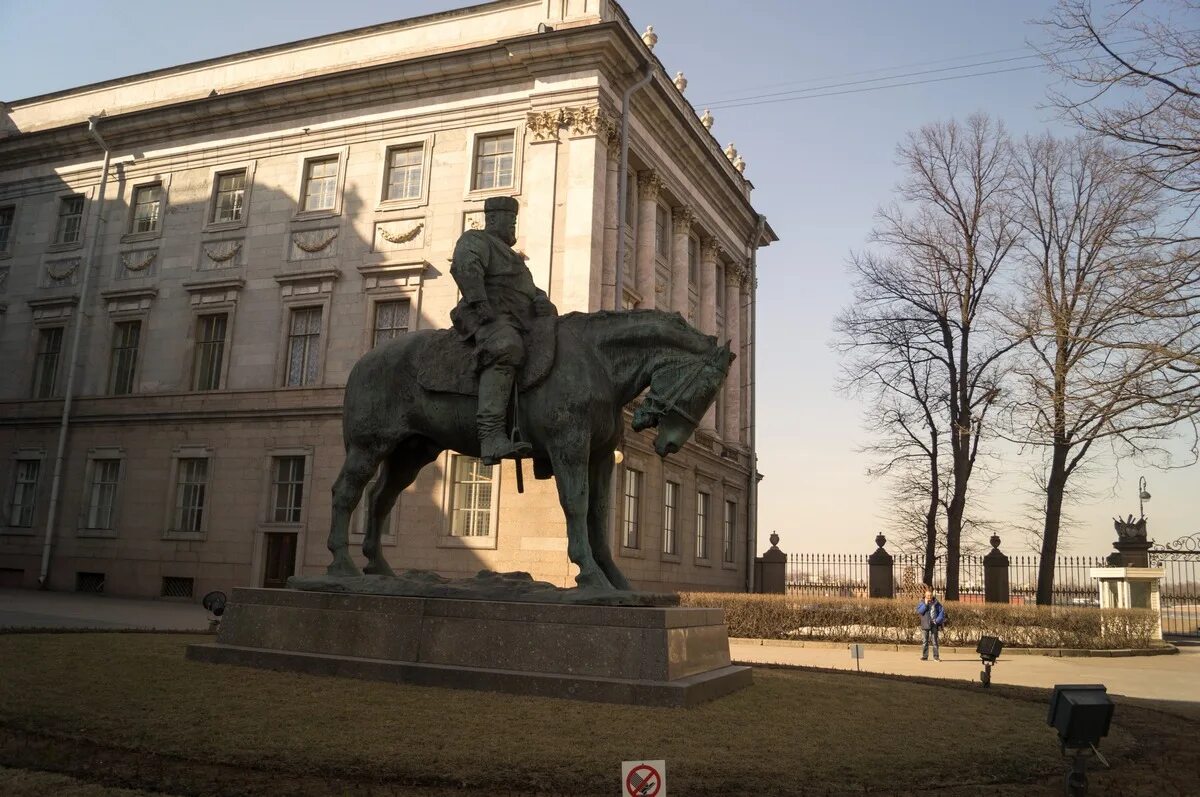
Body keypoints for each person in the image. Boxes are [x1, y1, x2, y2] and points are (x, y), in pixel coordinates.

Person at [449, 196, 556, 465]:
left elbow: (529, 289)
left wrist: (541, 299)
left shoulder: (514, 258)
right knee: (506, 347)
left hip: (522, 319)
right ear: (493, 219)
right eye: (511, 222)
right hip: (488, 316)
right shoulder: (476, 240)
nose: (513, 229)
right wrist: (479, 301)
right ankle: (491, 436)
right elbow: (465, 266)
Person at [916, 585, 945, 661]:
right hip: (925, 624)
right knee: (925, 641)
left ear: (932, 595)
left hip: (934, 624)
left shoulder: (936, 603)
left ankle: (936, 657)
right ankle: (925, 656)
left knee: (935, 642)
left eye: (930, 595)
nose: (929, 597)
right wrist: (925, 604)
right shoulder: (922, 603)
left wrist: (937, 620)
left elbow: (941, 612)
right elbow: (920, 611)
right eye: (928, 595)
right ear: (925, 596)